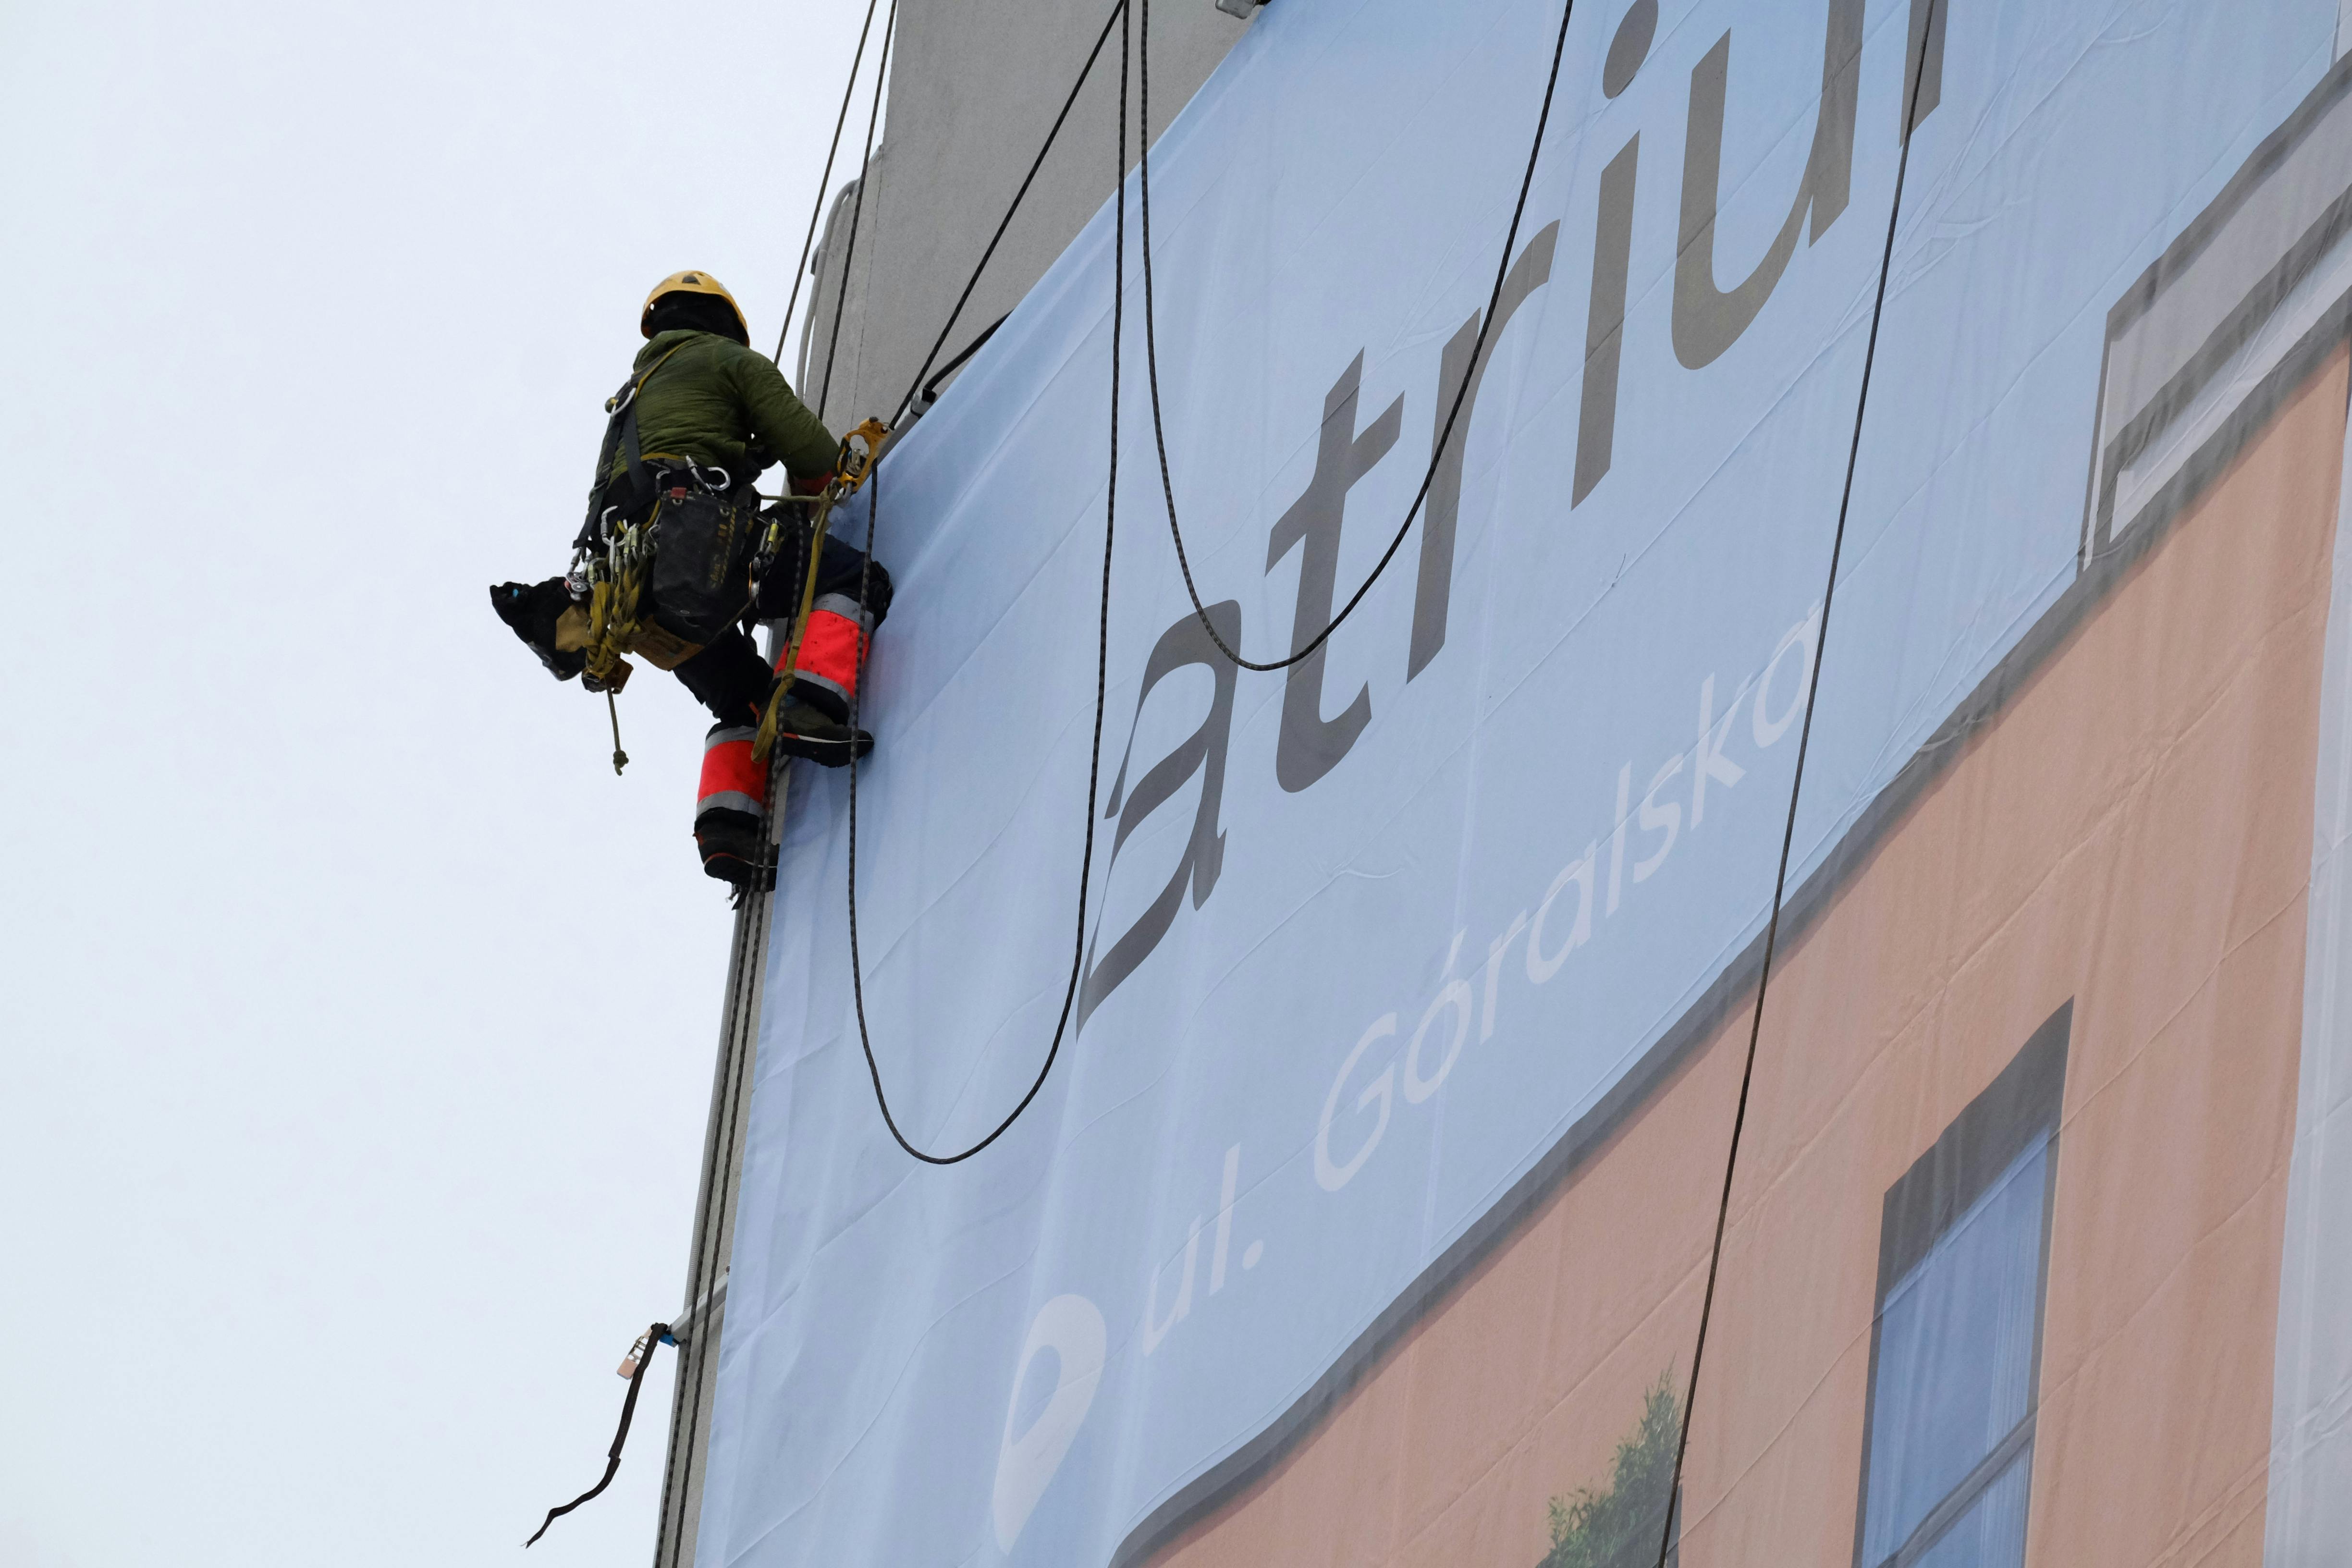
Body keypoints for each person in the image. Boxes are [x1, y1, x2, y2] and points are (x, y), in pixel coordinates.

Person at [491, 270, 894, 886]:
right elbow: (814, 463)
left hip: (634, 594)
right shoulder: (729, 360)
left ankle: (727, 832)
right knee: (851, 578)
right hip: (703, 541)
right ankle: (809, 703)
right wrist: (842, 465)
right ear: (724, 322)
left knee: (739, 696)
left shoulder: (630, 400)